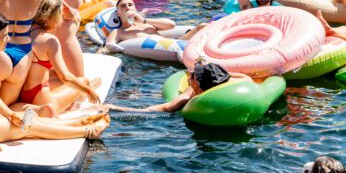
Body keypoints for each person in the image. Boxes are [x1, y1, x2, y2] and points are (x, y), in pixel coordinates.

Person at [0, 12, 110, 151]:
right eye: (4, 36)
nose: (8, 39)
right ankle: (87, 131)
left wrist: (11, 114)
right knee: (27, 126)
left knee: (25, 118)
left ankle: (76, 122)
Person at [19, 0, 100, 114]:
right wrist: (88, 91)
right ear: (51, 17)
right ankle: (91, 86)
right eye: (59, 17)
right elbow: (65, 77)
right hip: (42, 98)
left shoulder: (22, 32)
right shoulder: (49, 40)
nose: (60, 22)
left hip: (22, 93)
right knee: (83, 81)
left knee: (53, 73)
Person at [105, 62, 251, 114]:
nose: (191, 72)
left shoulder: (188, 95)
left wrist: (113, 107)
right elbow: (247, 79)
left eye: (194, 75)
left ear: (199, 89)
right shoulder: (221, 85)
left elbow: (153, 110)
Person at [105, 0, 202, 45]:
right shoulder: (119, 32)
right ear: (118, 13)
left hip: (176, 44)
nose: (127, 8)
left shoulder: (145, 24)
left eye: (130, 5)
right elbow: (107, 48)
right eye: (123, 6)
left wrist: (144, 21)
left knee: (203, 26)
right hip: (168, 50)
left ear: (135, 8)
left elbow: (171, 25)